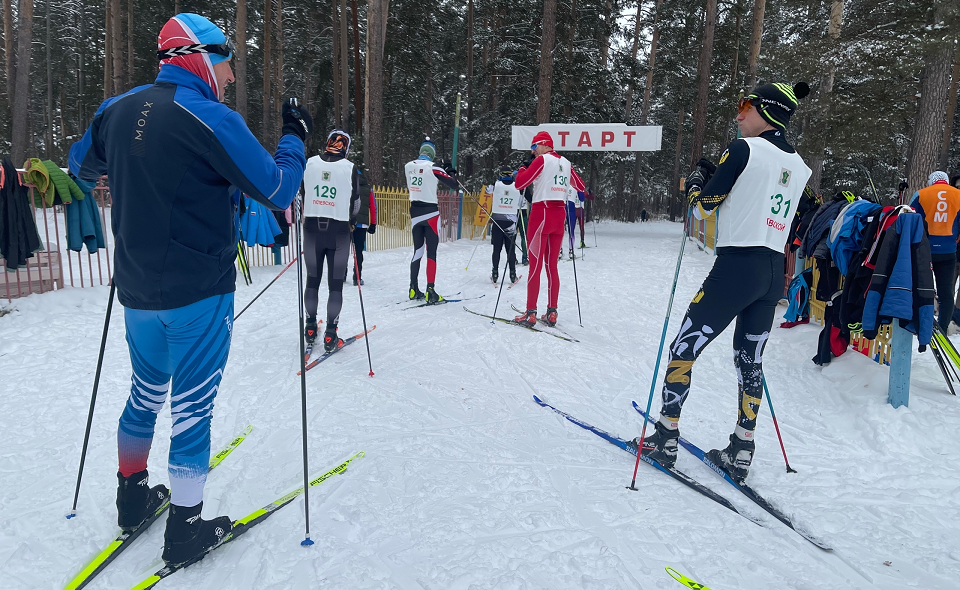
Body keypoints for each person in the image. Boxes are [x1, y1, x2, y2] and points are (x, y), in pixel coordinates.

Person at [68, 13, 310, 566]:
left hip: (136, 291)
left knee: (145, 394)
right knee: (192, 408)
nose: (229, 79)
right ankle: (186, 528)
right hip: (198, 290)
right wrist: (294, 136)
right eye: (227, 65)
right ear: (201, 55)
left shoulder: (117, 108)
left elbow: (80, 166)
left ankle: (132, 498)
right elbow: (277, 189)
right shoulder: (210, 116)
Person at [634, 82, 811, 483]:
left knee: (684, 347)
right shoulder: (801, 165)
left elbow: (703, 207)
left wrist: (697, 180)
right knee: (750, 361)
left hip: (737, 267)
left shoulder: (743, 148)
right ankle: (742, 448)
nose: (738, 114)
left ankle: (665, 439)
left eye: (745, 106)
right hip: (772, 273)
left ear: (766, 111)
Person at [513, 131, 586, 327]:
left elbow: (520, 182)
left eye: (534, 147)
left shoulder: (542, 160)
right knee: (551, 266)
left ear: (544, 145)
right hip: (558, 215)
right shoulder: (566, 162)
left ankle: (530, 313)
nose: (533, 151)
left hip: (541, 213)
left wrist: (522, 168)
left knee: (535, 266)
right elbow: (580, 186)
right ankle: (552, 312)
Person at [302, 130, 364, 353]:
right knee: (335, 285)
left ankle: (309, 327)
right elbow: (355, 202)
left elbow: (304, 192)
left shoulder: (309, 163)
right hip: (338, 231)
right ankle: (330, 334)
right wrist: (352, 220)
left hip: (312, 230)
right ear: (345, 148)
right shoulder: (349, 167)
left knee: (312, 281)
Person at [404, 137, 458, 303]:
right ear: (432, 154)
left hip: (415, 213)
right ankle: (430, 290)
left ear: (421, 151)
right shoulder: (433, 167)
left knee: (418, 251)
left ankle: (413, 288)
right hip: (430, 213)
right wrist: (449, 170)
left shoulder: (408, 165)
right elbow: (454, 184)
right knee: (431, 252)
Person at [910, 171, 960, 333]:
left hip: (924, 249)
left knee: (918, 287)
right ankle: (943, 328)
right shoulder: (958, 195)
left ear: (932, 181)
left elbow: (910, 218)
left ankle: (918, 322)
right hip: (948, 250)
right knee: (946, 292)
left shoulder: (921, 195)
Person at [489, 166, 522, 284]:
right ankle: (512, 274)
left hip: (497, 222)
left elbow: (488, 191)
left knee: (496, 249)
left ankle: (495, 273)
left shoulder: (496, 185)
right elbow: (521, 202)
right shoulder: (517, 187)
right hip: (510, 223)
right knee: (510, 251)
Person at [352, 188, 377, 286]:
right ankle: (357, 277)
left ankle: (342, 275)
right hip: (362, 224)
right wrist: (373, 223)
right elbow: (373, 206)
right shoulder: (368, 188)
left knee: (343, 249)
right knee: (358, 251)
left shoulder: (349, 182)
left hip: (348, 222)